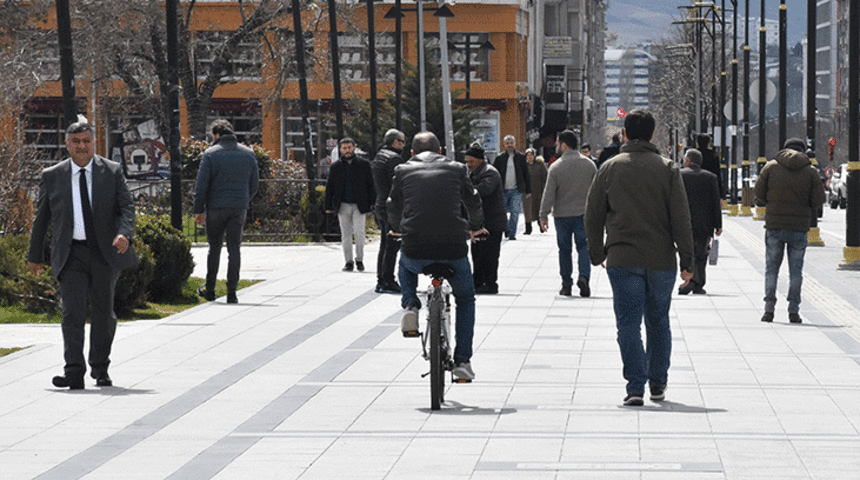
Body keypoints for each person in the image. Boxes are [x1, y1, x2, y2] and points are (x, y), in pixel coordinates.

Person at [584, 110, 694, 406]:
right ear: (652, 134)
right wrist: (688, 262)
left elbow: (592, 215)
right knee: (659, 321)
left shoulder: (609, 168)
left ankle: (635, 386)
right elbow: (681, 218)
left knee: (628, 324)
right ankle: (658, 383)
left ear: (626, 133)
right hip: (661, 260)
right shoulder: (668, 168)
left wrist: (596, 254)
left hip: (622, 257)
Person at [27, 121, 139, 390]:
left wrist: (124, 234)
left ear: (94, 143)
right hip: (70, 254)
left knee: (103, 314)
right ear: (67, 144)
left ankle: (100, 368)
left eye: (86, 141)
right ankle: (73, 371)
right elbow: (42, 219)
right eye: (76, 141)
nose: (81, 146)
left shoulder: (110, 172)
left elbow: (126, 208)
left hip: (104, 253)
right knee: (72, 313)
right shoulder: (52, 175)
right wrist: (35, 256)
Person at [387, 132, 487, 380]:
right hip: (453, 247)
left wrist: (396, 228)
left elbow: (391, 202)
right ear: (440, 151)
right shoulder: (456, 169)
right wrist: (476, 227)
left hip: (416, 248)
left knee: (405, 264)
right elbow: (472, 200)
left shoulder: (402, 170)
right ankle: (463, 362)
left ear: (411, 153)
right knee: (465, 299)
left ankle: (410, 304)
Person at [754, 138, 827, 324]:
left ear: (784, 149)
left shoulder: (771, 167)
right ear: (803, 151)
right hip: (799, 228)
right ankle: (793, 311)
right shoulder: (810, 171)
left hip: (774, 226)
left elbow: (759, 193)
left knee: (771, 270)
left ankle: (768, 310)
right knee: (796, 271)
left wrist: (771, 204)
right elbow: (818, 200)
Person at [193, 119, 260, 304]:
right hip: (239, 207)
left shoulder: (210, 154)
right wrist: (244, 200)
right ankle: (232, 292)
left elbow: (201, 185)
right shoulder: (248, 154)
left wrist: (198, 209)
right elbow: (255, 184)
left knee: (214, 248)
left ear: (216, 135)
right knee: (234, 249)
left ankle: (211, 288)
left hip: (215, 208)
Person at [540, 130, 598, 297]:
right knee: (584, 247)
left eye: (558, 144)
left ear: (564, 146)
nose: (557, 146)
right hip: (583, 215)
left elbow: (549, 193)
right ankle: (584, 277)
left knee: (564, 250)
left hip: (562, 215)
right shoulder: (589, 165)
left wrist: (543, 215)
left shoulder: (556, 167)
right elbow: (596, 192)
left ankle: (566, 284)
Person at [325, 138, 376, 272]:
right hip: (342, 205)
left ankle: (359, 259)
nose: (347, 150)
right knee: (345, 235)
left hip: (360, 204)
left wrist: (372, 202)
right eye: (344, 148)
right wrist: (328, 205)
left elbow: (370, 184)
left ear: (354, 148)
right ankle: (348, 261)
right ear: (340, 150)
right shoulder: (336, 167)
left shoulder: (364, 164)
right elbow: (329, 187)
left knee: (359, 233)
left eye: (349, 147)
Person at [679, 148, 722, 295]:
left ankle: (688, 280)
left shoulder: (680, 175)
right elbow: (716, 203)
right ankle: (698, 283)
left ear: (688, 161)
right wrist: (718, 224)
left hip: (684, 222)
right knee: (702, 253)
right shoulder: (710, 177)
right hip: (705, 223)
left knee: (686, 251)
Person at [465, 143, 506, 294]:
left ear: (480, 160)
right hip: (480, 222)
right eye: (467, 162)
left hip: (492, 222)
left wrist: (466, 190)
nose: (469, 165)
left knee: (490, 255)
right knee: (477, 254)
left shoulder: (490, 172)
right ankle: (477, 282)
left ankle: (490, 283)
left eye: (471, 162)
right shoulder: (473, 173)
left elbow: (484, 190)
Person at [371, 129, 407, 293]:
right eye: (403, 141)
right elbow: (398, 186)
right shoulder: (394, 159)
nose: (404, 145)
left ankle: (382, 279)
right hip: (390, 207)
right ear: (396, 142)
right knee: (392, 244)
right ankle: (387, 280)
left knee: (385, 244)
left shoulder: (379, 156)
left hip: (380, 203)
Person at [492, 134, 531, 240]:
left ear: (515, 144)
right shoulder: (499, 158)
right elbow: (494, 174)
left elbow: (526, 174)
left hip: (516, 190)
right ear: (504, 145)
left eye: (511, 143)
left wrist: (528, 190)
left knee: (515, 212)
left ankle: (511, 233)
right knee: (502, 212)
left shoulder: (521, 157)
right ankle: (506, 228)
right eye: (507, 143)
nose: (510, 145)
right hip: (502, 190)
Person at [522, 148, 548, 235]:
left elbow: (545, 176)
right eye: (528, 155)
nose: (529, 157)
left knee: (539, 208)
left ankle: (541, 225)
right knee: (527, 210)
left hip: (538, 190)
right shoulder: (523, 165)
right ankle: (528, 228)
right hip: (527, 191)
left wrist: (545, 188)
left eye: (531, 155)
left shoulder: (540, 164)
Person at [696, 133, 725, 201]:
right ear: (708, 143)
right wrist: (721, 195)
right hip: (709, 187)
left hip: (696, 186)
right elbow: (718, 175)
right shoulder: (713, 155)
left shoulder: (693, 154)